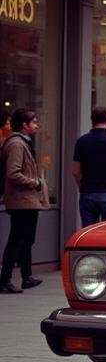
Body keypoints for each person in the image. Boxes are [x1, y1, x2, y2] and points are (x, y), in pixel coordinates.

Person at [0, 108, 48, 293]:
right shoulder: (16, 145)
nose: (37, 125)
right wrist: (35, 183)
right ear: (24, 125)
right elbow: (13, 173)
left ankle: (26, 277)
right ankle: (5, 280)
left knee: (26, 239)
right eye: (34, 122)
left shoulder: (22, 143)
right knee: (17, 240)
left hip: (27, 201)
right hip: (22, 201)